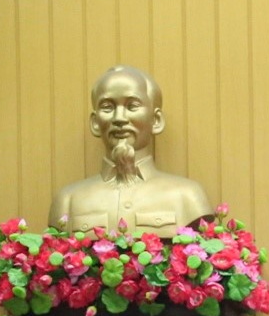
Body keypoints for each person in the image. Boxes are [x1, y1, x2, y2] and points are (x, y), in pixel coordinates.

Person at [49, 65, 213, 235]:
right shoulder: (68, 201)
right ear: (95, 123)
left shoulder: (187, 196)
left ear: (156, 120)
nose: (119, 118)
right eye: (107, 107)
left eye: (132, 106)